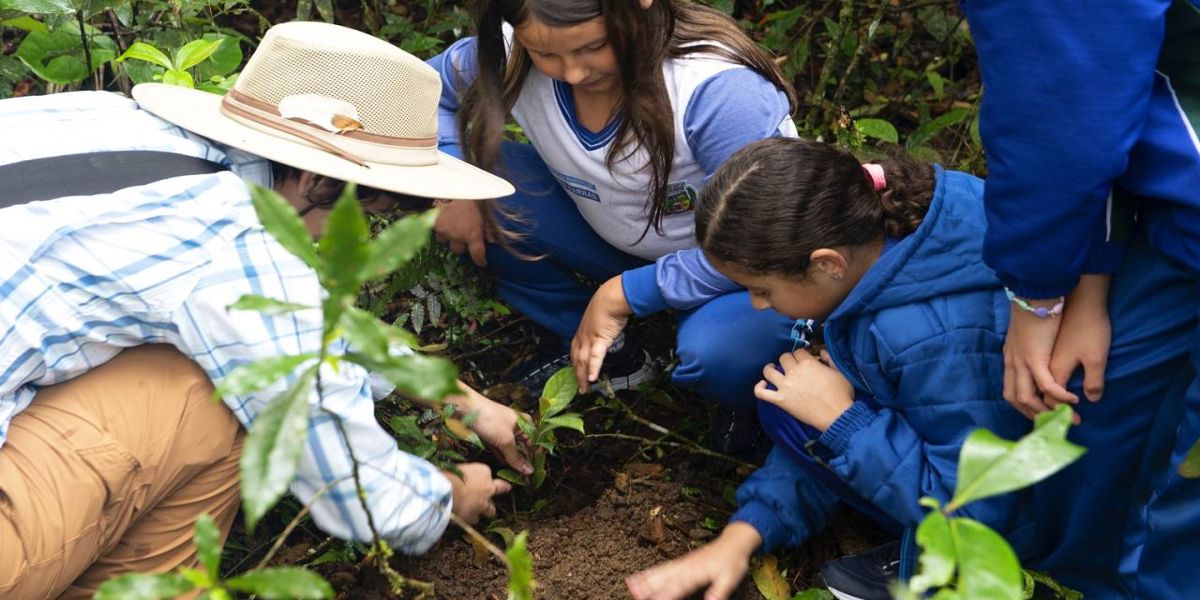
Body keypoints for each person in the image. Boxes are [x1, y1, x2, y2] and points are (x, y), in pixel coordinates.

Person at [0, 22, 529, 599]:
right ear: (317, 179)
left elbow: (292, 317)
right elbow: (363, 492)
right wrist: (449, 497)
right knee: (213, 388)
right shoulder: (232, 235)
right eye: (363, 212)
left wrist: (462, 401)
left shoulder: (98, 117)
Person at [626, 137, 1043, 600]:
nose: (758, 305)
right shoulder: (899, 234)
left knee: (805, 403)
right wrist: (743, 536)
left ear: (827, 264)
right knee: (790, 397)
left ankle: (943, 568)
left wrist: (842, 421)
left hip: (1031, 518)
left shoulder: (930, 339)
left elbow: (977, 511)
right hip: (983, 452)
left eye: (762, 289)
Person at [426, 0, 802, 449]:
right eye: (547, 54)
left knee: (717, 351)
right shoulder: (508, 52)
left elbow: (767, 243)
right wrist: (452, 184)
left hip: (740, 273)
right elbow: (419, 94)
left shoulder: (716, 92)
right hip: (611, 237)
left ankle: (749, 401)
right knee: (479, 183)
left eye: (593, 47)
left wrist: (627, 293)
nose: (573, 74)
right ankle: (602, 353)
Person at [959, 1, 1200, 596]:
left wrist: (1035, 297)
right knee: (1102, 410)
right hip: (1177, 219)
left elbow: (1062, 121)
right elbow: (1098, 81)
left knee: (1186, 531)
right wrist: (1088, 283)